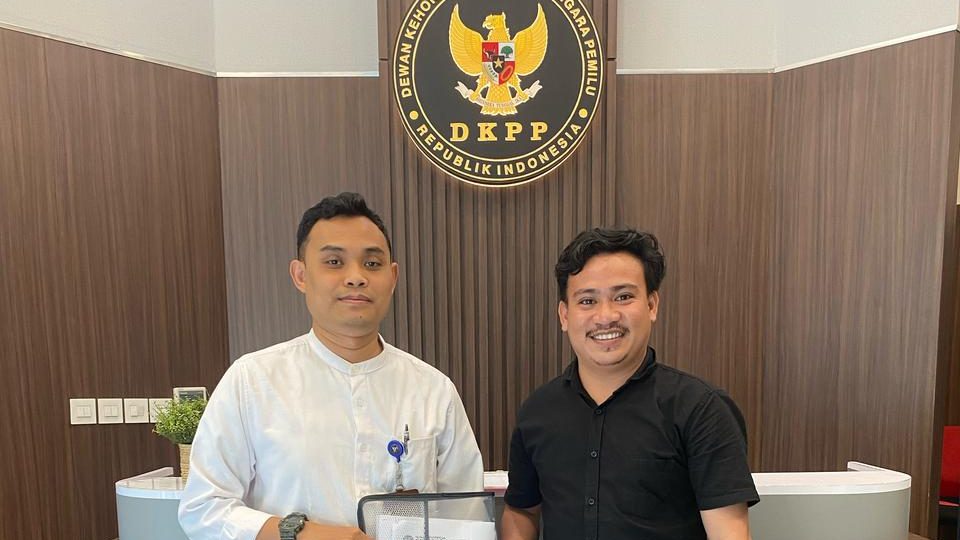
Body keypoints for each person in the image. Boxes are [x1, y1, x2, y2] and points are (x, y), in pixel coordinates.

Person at [179, 193, 484, 540]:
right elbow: (203, 508)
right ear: (300, 275)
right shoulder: (251, 381)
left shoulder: (433, 390)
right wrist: (302, 534)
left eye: (372, 263)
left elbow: (467, 517)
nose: (356, 277)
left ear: (392, 277)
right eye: (334, 262)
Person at [501, 228, 758, 540]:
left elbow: (728, 533)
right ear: (564, 315)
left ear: (652, 305)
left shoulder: (701, 409)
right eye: (587, 301)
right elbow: (522, 511)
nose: (606, 316)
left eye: (623, 297)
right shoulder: (538, 411)